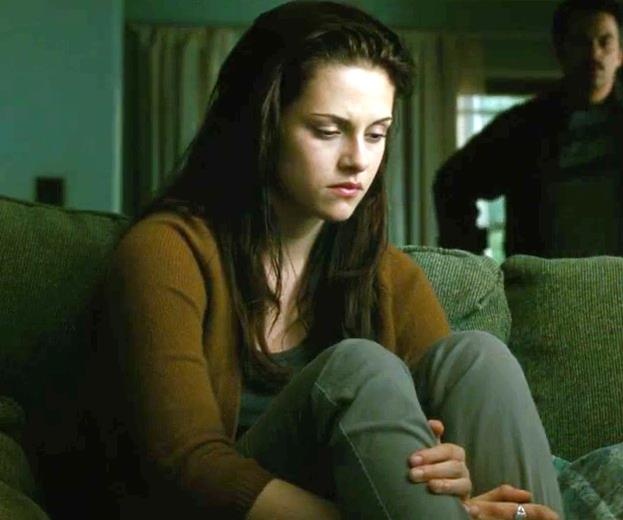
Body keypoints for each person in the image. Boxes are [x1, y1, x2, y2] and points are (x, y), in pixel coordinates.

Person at [98, 2, 563, 518]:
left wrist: (458, 480)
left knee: (479, 357)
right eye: (327, 130)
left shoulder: (390, 277)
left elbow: (441, 467)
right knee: (357, 367)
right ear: (261, 125)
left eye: (376, 133)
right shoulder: (164, 251)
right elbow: (185, 464)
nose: (358, 160)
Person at [433, 0, 623, 258]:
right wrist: (471, 261)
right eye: (581, 42)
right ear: (561, 52)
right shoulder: (526, 126)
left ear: (620, 54)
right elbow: (452, 181)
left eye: (605, 42)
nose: (594, 54)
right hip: (549, 279)